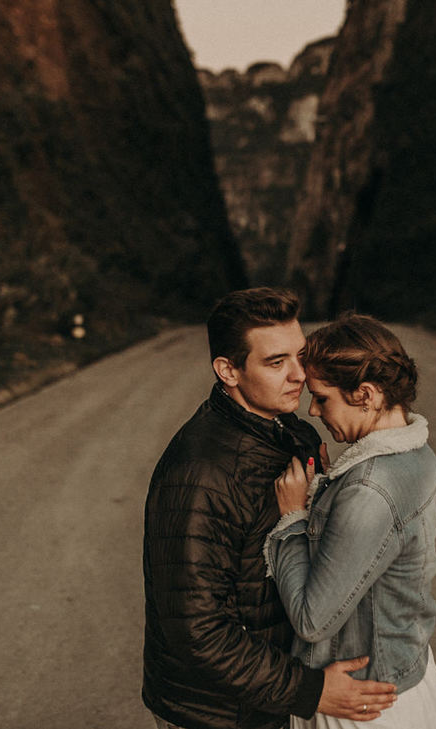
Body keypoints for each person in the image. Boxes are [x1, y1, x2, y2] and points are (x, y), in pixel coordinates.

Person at [143, 288, 399, 729]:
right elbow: (197, 630)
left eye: (301, 356)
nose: (299, 375)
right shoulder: (201, 474)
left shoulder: (293, 434)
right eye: (276, 362)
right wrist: (311, 691)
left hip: (271, 700)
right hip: (216, 715)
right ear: (228, 370)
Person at [265, 314, 436, 729]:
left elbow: (312, 620)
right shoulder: (417, 454)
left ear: (365, 395)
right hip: (405, 680)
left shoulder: (369, 489)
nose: (312, 410)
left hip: (362, 704)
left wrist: (292, 518)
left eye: (322, 398)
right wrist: (331, 490)